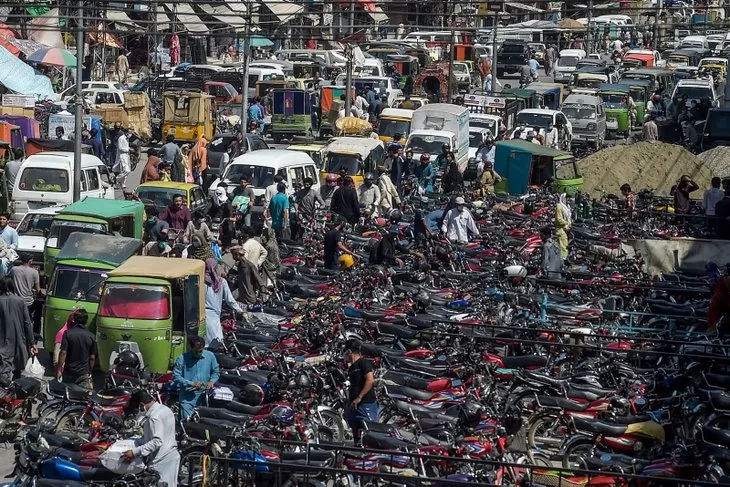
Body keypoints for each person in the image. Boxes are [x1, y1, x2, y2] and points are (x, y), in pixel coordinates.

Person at [122, 389, 180, 487]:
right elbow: (151, 438)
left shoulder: (154, 417)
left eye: (138, 409)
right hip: (171, 456)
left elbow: (157, 441)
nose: (139, 413)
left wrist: (134, 452)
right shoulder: (165, 409)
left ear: (142, 405)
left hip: (161, 461)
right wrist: (132, 441)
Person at [172, 335, 220, 420]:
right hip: (188, 397)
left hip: (204, 396)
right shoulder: (182, 359)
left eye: (200, 351)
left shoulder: (210, 356)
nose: (199, 354)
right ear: (191, 348)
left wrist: (211, 381)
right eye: (196, 352)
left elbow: (216, 372)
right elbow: (176, 377)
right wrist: (192, 384)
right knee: (188, 422)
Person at [0, 277, 35, 382]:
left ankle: (4, 392)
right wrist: (32, 342)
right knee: (17, 370)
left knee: (4, 370)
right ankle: (15, 392)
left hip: (2, 341)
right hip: (18, 340)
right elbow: (27, 323)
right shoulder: (20, 301)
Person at [345, 339, 377, 444]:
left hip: (366, 403)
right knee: (357, 435)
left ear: (350, 351)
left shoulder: (363, 363)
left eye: (346, 352)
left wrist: (359, 397)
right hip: (355, 406)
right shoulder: (351, 368)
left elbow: (370, 380)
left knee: (368, 431)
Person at [203, 258, 241, 348]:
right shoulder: (221, 282)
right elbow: (230, 300)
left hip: (202, 316)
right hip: (214, 316)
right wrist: (239, 310)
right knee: (216, 343)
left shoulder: (200, 281)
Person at [56, 308, 95, 388]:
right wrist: (90, 371)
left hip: (69, 371)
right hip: (83, 373)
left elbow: (63, 352)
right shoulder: (91, 336)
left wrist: (59, 369)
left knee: (67, 395)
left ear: (74, 320)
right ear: (86, 321)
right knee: (81, 396)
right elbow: (92, 357)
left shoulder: (68, 334)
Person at [11, 253, 40, 336]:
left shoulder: (14, 270)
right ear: (30, 260)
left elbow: (8, 280)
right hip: (28, 301)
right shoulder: (34, 272)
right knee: (29, 320)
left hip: (16, 300)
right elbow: (38, 290)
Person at [555, 193, 572, 260]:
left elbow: (569, 217)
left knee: (565, 245)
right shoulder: (559, 206)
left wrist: (569, 224)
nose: (569, 201)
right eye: (567, 199)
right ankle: (563, 260)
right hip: (561, 230)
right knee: (563, 246)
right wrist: (566, 223)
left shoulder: (567, 207)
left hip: (567, 229)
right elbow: (559, 219)